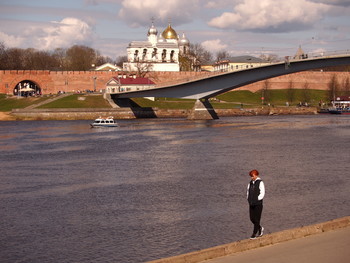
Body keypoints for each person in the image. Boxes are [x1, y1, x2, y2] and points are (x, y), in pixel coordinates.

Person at [247, 169, 265, 239]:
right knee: (252, 218)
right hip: (251, 203)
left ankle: (254, 234)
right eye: (251, 176)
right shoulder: (250, 183)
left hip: (258, 204)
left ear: (256, 175)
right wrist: (248, 199)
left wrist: (257, 199)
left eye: (252, 176)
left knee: (257, 219)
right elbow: (248, 191)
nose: (251, 177)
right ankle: (260, 228)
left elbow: (262, 192)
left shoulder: (260, 182)